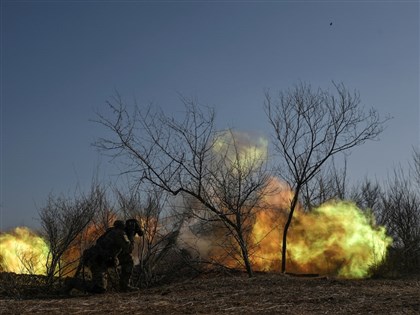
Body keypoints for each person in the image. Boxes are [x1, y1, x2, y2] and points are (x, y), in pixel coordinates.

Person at [83, 219, 142, 293]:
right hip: (97, 261)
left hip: (103, 259)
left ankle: (124, 286)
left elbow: (123, 252)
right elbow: (129, 249)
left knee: (128, 259)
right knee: (99, 289)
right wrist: (131, 235)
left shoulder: (114, 231)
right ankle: (71, 282)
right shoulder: (119, 233)